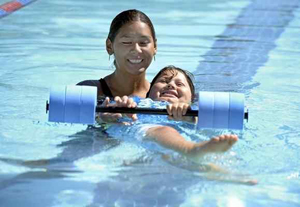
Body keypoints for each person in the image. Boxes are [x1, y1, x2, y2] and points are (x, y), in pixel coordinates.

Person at [105, 65, 239, 162]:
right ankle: (191, 150)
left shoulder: (196, 111)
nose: (171, 85)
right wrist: (118, 110)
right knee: (163, 130)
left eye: (180, 84)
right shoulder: (138, 102)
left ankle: (219, 173)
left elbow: (213, 129)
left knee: (177, 159)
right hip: (141, 130)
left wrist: (190, 118)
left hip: (175, 140)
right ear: (148, 93)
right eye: (163, 81)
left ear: (191, 98)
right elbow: (104, 117)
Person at [77, 9, 157, 99]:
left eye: (143, 42)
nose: (136, 49)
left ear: (155, 47)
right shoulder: (87, 92)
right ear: (109, 46)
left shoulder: (163, 95)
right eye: (126, 42)